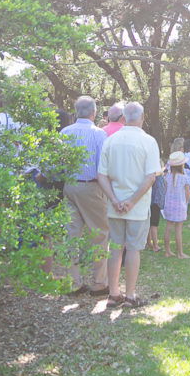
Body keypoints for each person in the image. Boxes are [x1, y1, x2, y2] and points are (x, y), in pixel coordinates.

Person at [97, 101, 161, 309]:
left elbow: (101, 175)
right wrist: (131, 201)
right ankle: (130, 294)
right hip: (138, 206)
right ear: (142, 117)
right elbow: (150, 176)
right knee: (133, 249)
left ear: (124, 118)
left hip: (115, 204)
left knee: (115, 247)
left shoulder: (111, 140)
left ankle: (114, 293)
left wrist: (115, 200)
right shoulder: (148, 141)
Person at [60, 96, 110, 298]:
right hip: (91, 187)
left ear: (75, 111)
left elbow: (57, 164)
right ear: (93, 112)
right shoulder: (99, 135)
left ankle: (74, 282)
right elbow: (103, 168)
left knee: (71, 236)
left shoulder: (64, 133)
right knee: (99, 235)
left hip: (70, 186)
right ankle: (99, 283)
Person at [162, 151, 190, 258]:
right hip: (180, 206)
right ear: (182, 165)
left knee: (168, 227)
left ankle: (167, 251)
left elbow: (166, 191)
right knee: (178, 230)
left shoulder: (167, 177)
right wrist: (185, 202)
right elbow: (187, 194)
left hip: (169, 205)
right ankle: (180, 253)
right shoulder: (184, 178)